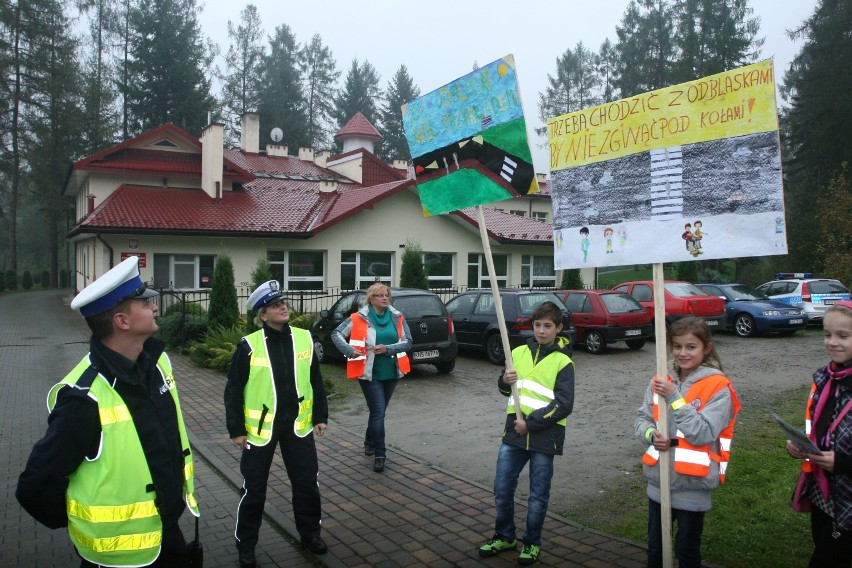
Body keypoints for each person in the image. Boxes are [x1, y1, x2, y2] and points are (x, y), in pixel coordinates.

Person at [16, 255, 200, 567]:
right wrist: (84, 524)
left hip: (167, 535)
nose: (155, 307)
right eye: (145, 303)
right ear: (122, 321)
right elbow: (34, 487)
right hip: (119, 558)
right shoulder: (82, 400)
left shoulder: (158, 365)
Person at [224, 280, 328, 568]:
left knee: (307, 484)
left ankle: (310, 534)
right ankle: (246, 546)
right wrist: (236, 430)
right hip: (260, 431)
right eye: (274, 306)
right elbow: (233, 389)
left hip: (298, 425)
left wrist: (320, 416)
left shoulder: (304, 339)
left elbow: (315, 382)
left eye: (282, 303)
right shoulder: (249, 346)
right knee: (254, 490)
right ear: (262, 315)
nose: (282, 307)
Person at [634, 316, 741, 568]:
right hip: (659, 479)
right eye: (677, 346)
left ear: (706, 348)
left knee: (686, 550)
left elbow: (702, 433)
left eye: (691, 347)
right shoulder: (661, 379)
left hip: (694, 482)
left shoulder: (718, 387)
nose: (682, 353)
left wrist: (675, 398)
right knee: (656, 548)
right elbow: (642, 418)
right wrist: (651, 435)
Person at [478, 301, 575, 566]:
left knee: (537, 495)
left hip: (544, 437)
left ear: (558, 328)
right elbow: (506, 392)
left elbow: (565, 404)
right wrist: (503, 381)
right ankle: (505, 535)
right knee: (502, 488)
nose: (541, 331)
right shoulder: (516, 352)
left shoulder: (563, 361)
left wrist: (530, 425)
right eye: (537, 325)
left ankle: (532, 543)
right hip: (514, 434)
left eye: (547, 326)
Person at [787, 300, 852, 567]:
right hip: (824, 494)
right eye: (827, 334)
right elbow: (818, 429)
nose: (832, 342)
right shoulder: (825, 378)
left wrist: (842, 463)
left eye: (843, 335)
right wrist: (800, 446)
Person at [331, 283, 412, 472]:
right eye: (380, 295)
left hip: (392, 371)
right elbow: (336, 334)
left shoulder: (397, 316)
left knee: (378, 411)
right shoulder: (359, 317)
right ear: (372, 299)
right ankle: (380, 454)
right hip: (369, 372)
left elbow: (408, 341)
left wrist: (389, 349)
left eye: (387, 295)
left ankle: (369, 440)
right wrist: (349, 351)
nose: (385, 298)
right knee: (378, 412)